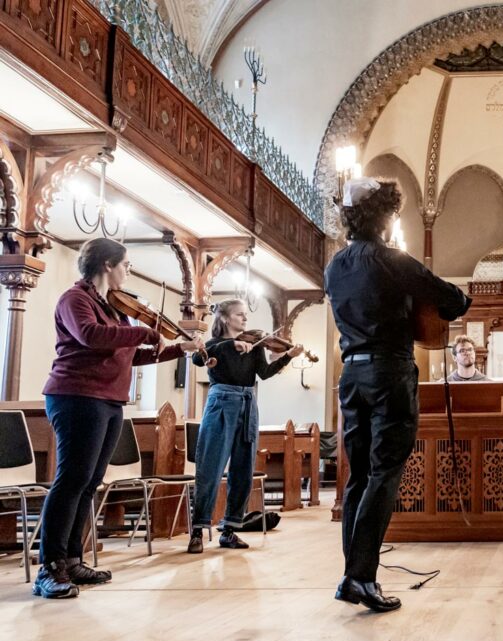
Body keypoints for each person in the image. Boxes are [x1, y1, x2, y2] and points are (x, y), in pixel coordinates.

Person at [325, 176, 470, 612]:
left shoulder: (335, 266)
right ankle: (360, 577)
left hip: (350, 376)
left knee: (360, 476)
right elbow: (453, 300)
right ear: (385, 217)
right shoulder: (395, 260)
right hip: (389, 372)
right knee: (386, 472)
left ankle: (354, 573)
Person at [35, 237, 201, 599]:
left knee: (90, 481)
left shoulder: (114, 309)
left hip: (109, 399)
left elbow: (127, 356)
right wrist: (144, 331)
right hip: (75, 394)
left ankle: (73, 560)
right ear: (107, 265)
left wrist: (176, 348)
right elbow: (91, 336)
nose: (128, 271)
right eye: (125, 264)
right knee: (72, 479)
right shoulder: (74, 299)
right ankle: (50, 567)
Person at [186, 299, 304, 554]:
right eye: (240, 315)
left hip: (248, 402)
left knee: (243, 469)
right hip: (221, 402)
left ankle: (229, 530)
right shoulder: (214, 345)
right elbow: (197, 358)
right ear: (226, 319)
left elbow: (265, 373)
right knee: (211, 466)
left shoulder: (254, 345)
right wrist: (231, 345)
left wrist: (287, 358)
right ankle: (197, 530)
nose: (245, 319)